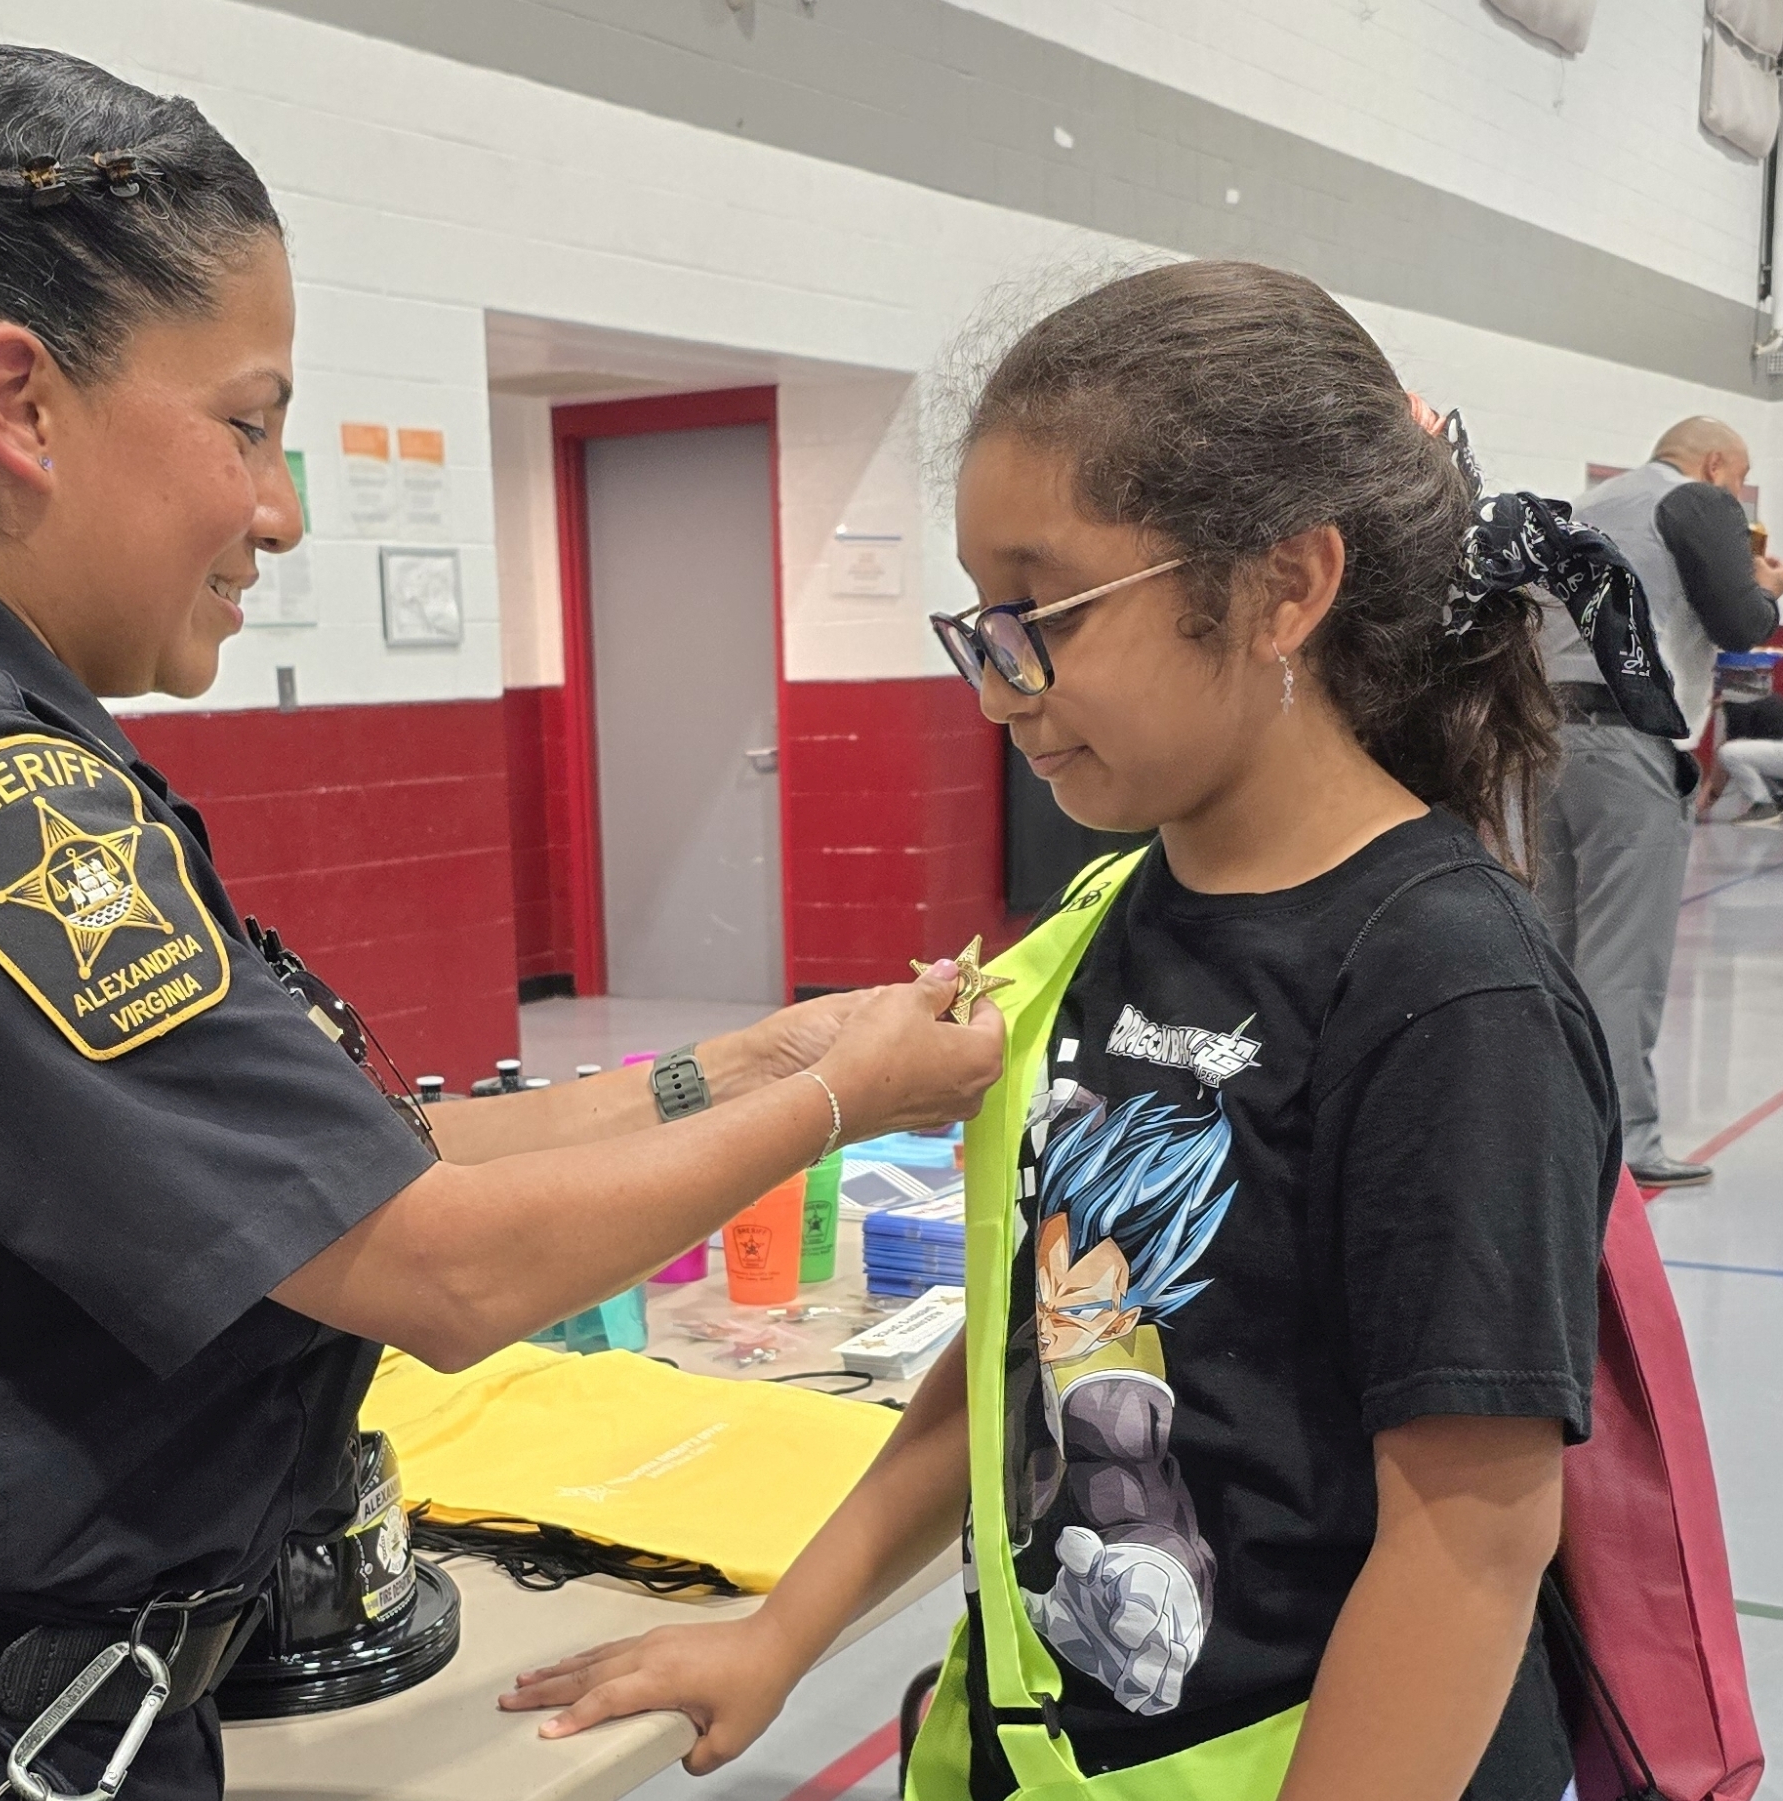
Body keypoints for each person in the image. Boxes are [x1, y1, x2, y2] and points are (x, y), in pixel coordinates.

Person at [0, 47, 1005, 1801]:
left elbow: (379, 1167)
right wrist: (844, 1103)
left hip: (11, 1698)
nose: (280, 508)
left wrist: (760, 1057)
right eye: (244, 424)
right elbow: (442, 1269)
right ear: (17, 401)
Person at [503, 262, 1624, 1801]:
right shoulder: (1112, 912)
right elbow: (1021, 1351)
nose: (997, 686)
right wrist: (785, 1632)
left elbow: (1474, 1544)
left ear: (1286, 588)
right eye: (980, 624)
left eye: (1042, 615)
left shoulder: (1446, 990)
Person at [1535, 417, 1783, 1188]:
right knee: (1622, 958)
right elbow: (1739, 622)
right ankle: (1625, 1144)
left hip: (1543, 739)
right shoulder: (1697, 502)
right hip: (1629, 740)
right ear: (1716, 464)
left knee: (1551, 949)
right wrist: (1766, 590)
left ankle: (1543, 1129)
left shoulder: (1585, 506)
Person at [1716, 688, 1783, 824]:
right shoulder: (1762, 698)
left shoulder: (1737, 704)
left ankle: (1764, 805)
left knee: (1729, 753)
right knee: (1755, 760)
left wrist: (1706, 800)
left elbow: (1725, 761)